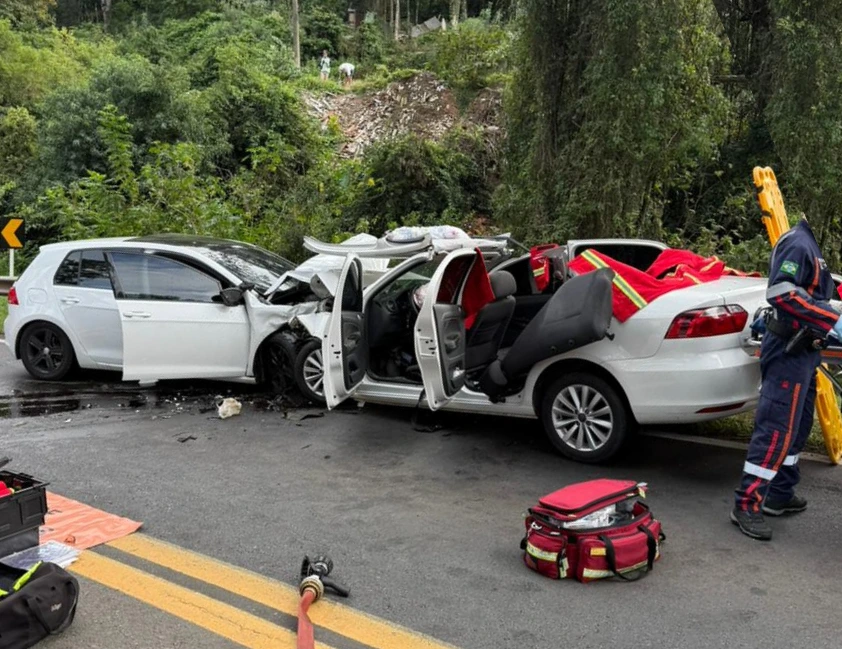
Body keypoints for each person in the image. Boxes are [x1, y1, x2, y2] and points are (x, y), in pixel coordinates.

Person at [732, 216, 842, 541]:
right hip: (787, 351)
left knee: (799, 426)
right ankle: (746, 504)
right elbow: (781, 293)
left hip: (806, 350)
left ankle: (780, 494)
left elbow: (817, 287)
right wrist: (833, 320)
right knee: (777, 428)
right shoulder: (798, 242)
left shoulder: (812, 244)